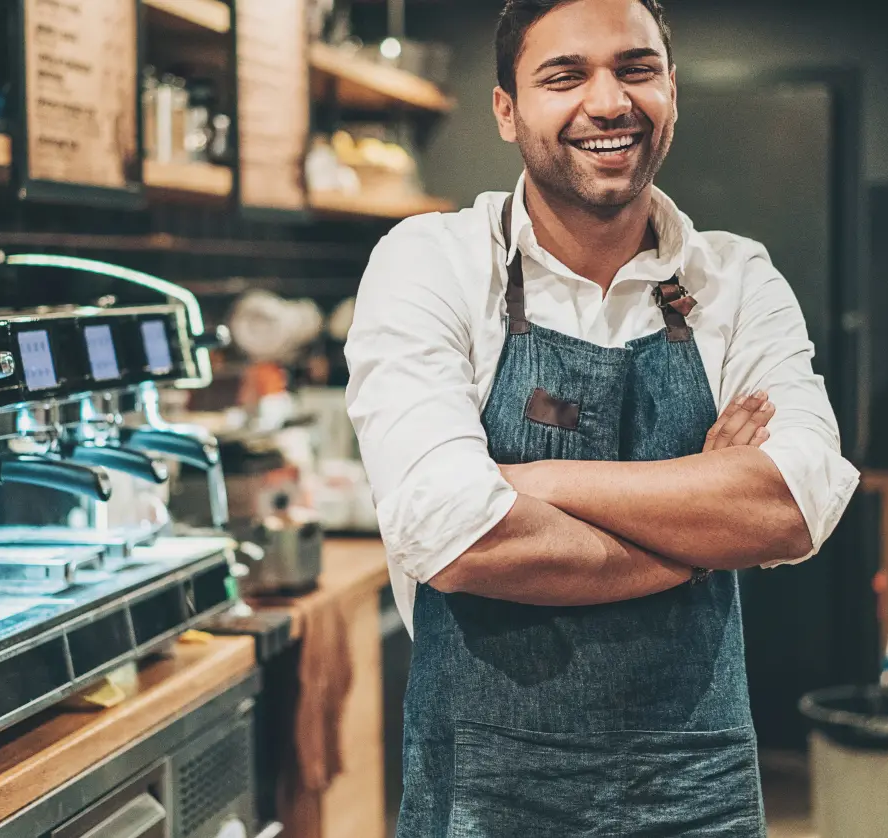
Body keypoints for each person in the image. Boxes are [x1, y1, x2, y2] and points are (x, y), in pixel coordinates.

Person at [344, 0, 860, 834]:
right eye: (564, 75)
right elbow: (458, 533)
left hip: (698, 783)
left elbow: (792, 505)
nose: (609, 101)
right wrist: (696, 538)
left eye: (635, 67)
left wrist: (532, 482)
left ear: (672, 90)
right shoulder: (432, 262)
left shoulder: (735, 277)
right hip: (484, 786)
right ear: (506, 109)